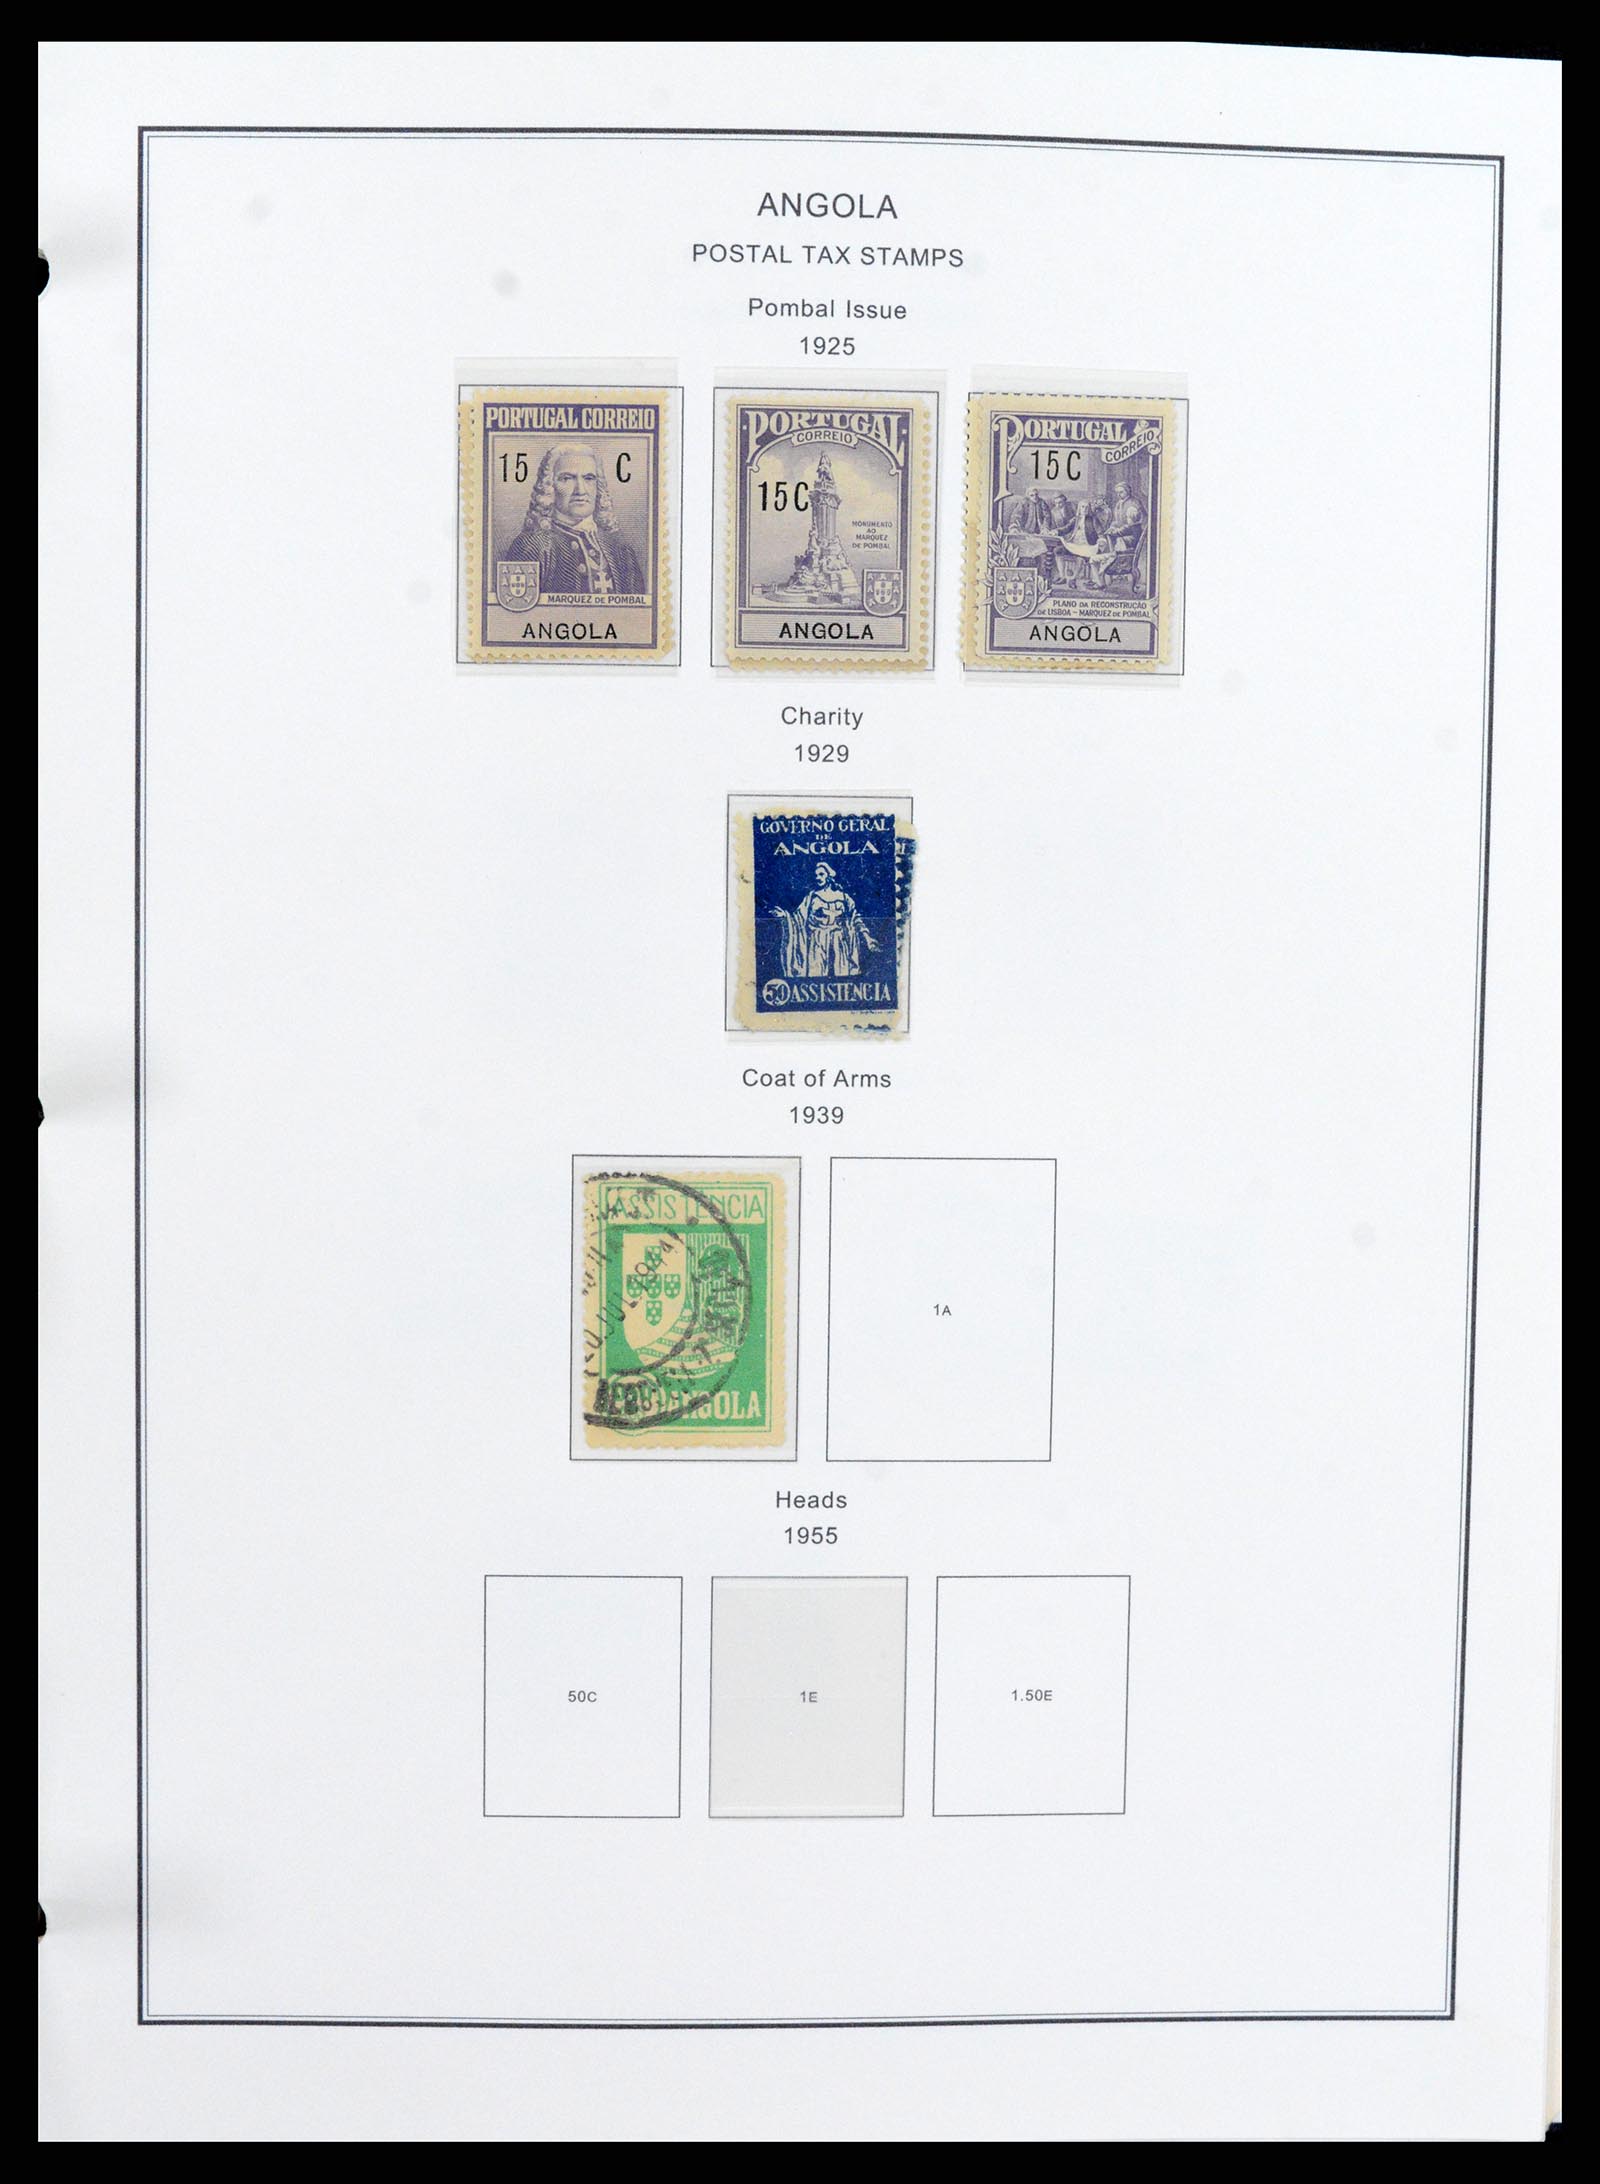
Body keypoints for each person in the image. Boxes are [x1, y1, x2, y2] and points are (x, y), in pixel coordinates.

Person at [502, 442, 644, 596]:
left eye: (588, 478)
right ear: (549, 487)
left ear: (598, 488)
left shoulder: (621, 550)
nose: (580, 490)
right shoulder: (531, 546)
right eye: (567, 478)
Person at [771, 861, 881, 979]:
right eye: (816, 875)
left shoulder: (844, 897)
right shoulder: (811, 897)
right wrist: (784, 916)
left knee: (843, 976)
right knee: (816, 976)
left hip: (840, 941)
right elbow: (798, 919)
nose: (818, 878)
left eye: (821, 874)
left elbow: (855, 919)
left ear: (829, 876)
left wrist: (868, 938)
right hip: (817, 942)